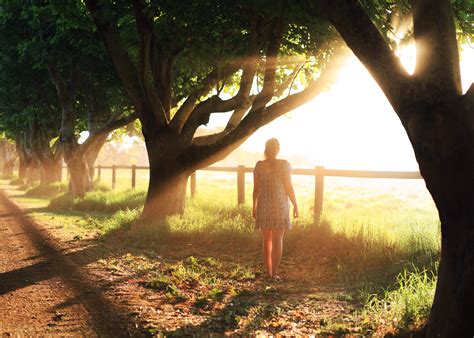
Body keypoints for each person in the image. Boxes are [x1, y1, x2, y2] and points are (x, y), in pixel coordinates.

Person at [253, 138, 298, 280]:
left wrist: (254, 207)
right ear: (277, 149)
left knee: (267, 240)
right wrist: (295, 205)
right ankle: (275, 274)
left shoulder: (259, 166)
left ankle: (269, 272)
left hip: (264, 204)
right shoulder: (284, 165)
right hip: (279, 205)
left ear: (266, 149)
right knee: (278, 239)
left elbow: (255, 189)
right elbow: (289, 187)